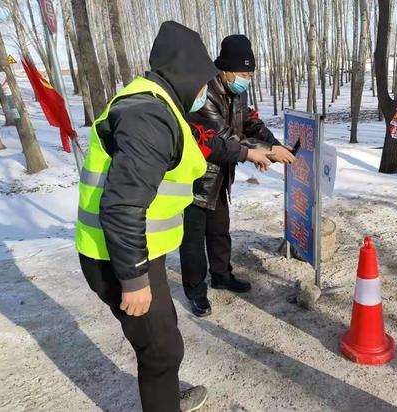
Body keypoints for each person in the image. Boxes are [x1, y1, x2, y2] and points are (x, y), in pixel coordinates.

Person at [75, 22, 271, 412]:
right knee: (163, 350)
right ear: (184, 75)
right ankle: (164, 395)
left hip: (140, 249)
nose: (204, 92)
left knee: (160, 346)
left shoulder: (163, 106)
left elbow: (204, 141)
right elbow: (123, 204)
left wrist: (252, 152)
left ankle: (163, 392)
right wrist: (133, 278)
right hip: (121, 257)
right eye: (202, 83)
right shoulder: (148, 115)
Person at [180, 34, 295, 317]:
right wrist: (265, 153)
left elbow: (250, 122)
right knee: (193, 240)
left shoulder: (237, 91)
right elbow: (224, 138)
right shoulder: (203, 94)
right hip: (197, 178)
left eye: (250, 74)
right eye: (244, 73)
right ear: (226, 69)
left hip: (220, 176)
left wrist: (274, 144)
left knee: (219, 230)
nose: (247, 79)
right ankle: (196, 291)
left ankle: (221, 275)